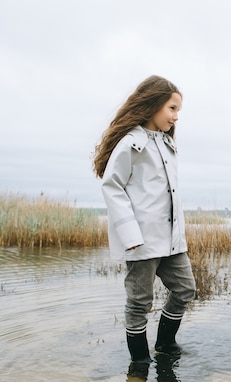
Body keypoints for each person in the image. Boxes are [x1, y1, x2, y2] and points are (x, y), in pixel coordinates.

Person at [92, 75, 196, 364]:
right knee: (139, 303)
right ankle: (139, 363)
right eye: (172, 108)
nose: (176, 117)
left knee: (185, 288)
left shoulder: (167, 144)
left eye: (178, 111)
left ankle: (165, 344)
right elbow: (112, 186)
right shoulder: (130, 143)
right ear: (154, 104)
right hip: (141, 240)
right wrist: (130, 236)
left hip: (172, 241)